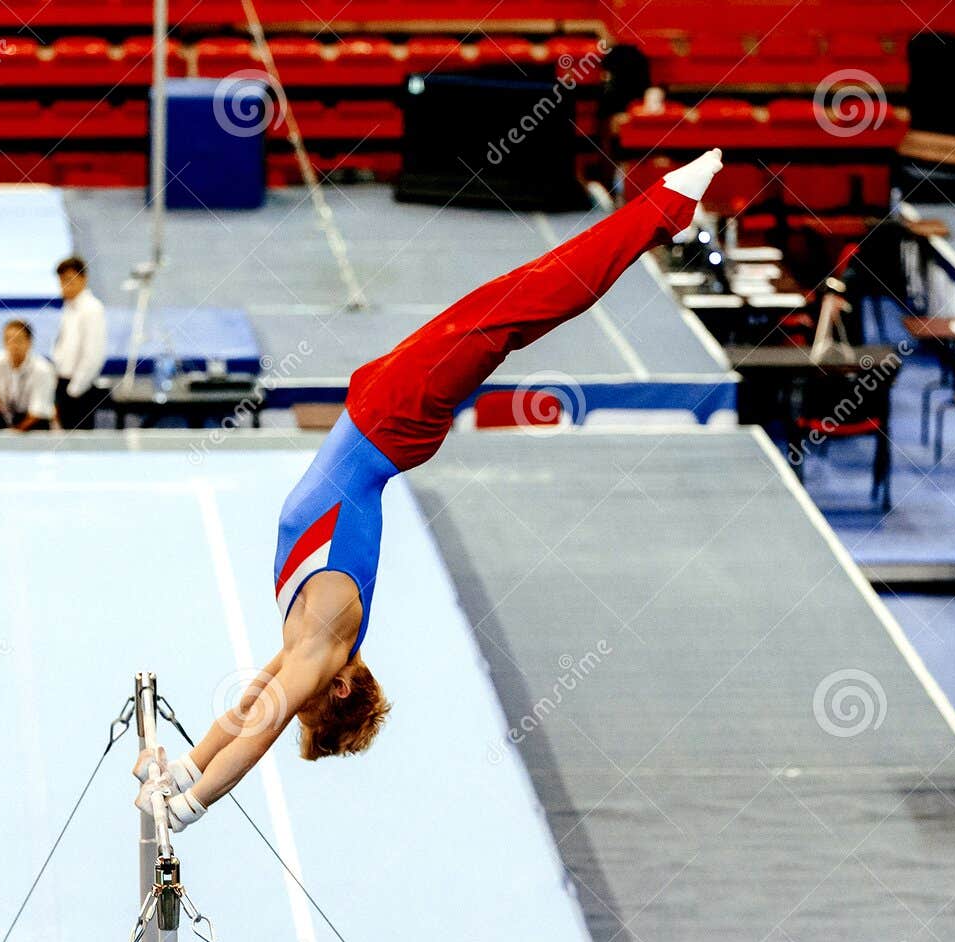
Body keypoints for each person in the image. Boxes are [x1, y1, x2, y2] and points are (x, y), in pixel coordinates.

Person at [134, 149, 725, 832]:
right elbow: (264, 725)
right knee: (524, 304)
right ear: (344, 686)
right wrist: (193, 809)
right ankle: (665, 212)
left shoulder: (306, 649)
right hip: (390, 421)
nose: (294, 702)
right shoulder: (327, 644)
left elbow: (248, 708)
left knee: (519, 301)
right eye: (311, 706)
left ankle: (662, 214)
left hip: (378, 411)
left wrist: (183, 771)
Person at [51, 256, 108, 430]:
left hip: (79, 390)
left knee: (79, 444)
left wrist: (75, 389)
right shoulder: (69, 307)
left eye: (69, 280)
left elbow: (93, 354)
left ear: (84, 279)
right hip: (63, 383)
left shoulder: (92, 309)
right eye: (61, 281)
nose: (64, 286)